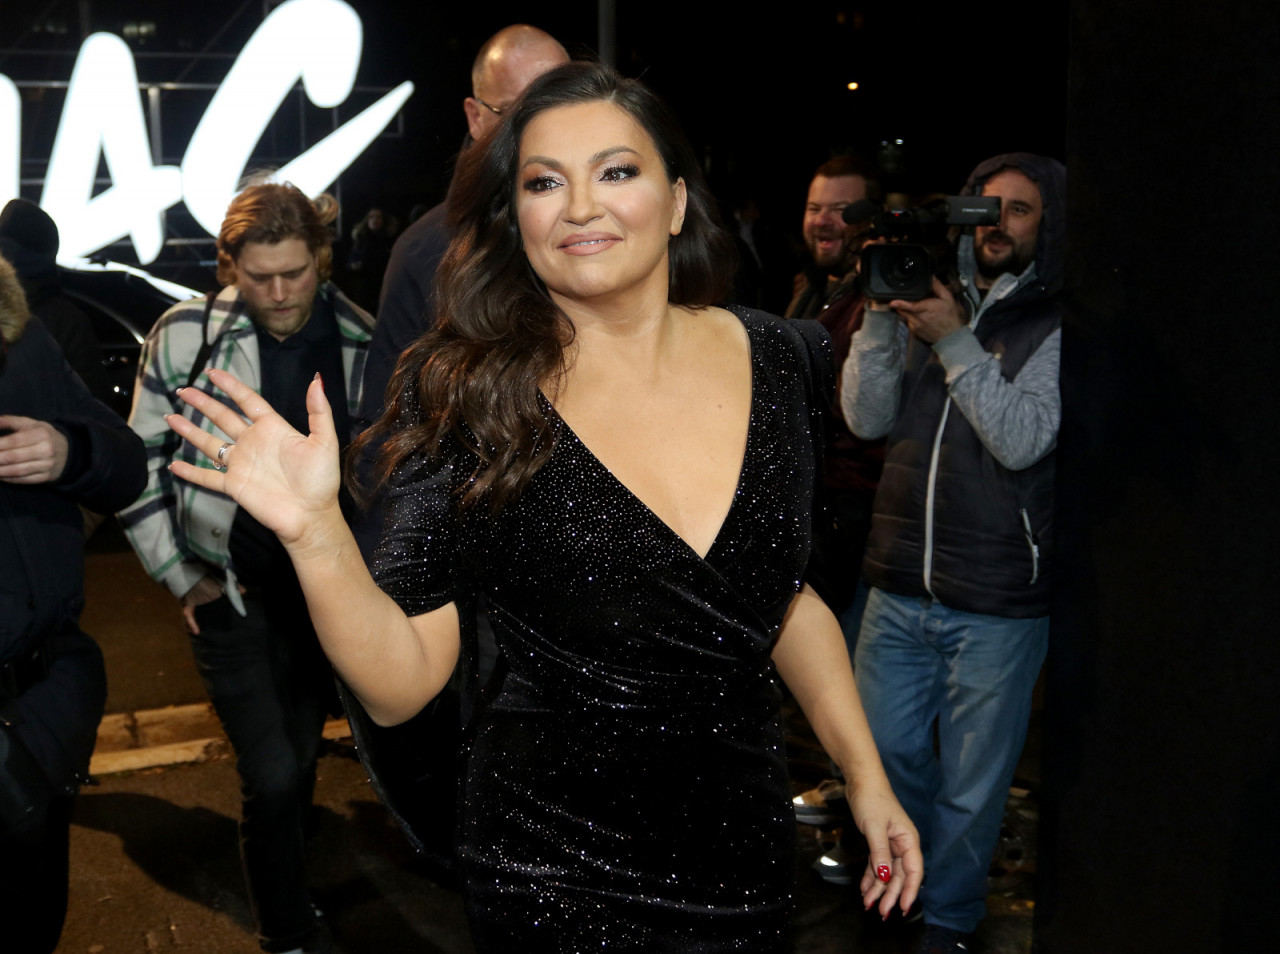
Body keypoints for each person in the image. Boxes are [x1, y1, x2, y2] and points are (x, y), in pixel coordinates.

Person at [161, 63, 922, 952]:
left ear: (677, 200)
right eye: (544, 182)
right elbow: (403, 687)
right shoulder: (467, 392)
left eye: (617, 171)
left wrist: (865, 775)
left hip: (742, 856)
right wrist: (315, 530)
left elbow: (783, 600)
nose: (581, 206)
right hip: (551, 872)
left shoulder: (783, 358)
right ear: (514, 216)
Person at [119, 183, 374, 954]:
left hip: (320, 598)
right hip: (226, 593)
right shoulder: (184, 334)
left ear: (321, 258)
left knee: (298, 756)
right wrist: (178, 573)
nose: (279, 292)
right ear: (230, 266)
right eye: (259, 276)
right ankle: (286, 931)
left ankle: (288, 871)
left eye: (295, 272)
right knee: (270, 772)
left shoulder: (362, 339)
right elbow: (138, 462)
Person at [841, 153, 1066, 954]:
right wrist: (879, 317)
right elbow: (866, 418)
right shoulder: (925, 295)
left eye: (1020, 210)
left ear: (1049, 226)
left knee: (973, 789)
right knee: (884, 758)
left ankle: (949, 922)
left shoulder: (1054, 324)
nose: (998, 225)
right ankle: (898, 893)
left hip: (998, 598)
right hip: (897, 581)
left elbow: (1023, 439)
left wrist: (956, 341)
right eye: (985, 207)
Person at [0, 252, 146, 954]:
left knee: (35, 923)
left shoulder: (22, 335)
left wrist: (70, 451)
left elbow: (126, 463)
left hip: (37, 710)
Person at [358, 24, 569, 444]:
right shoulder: (424, 251)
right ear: (475, 117)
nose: (540, 132)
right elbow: (387, 435)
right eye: (515, 114)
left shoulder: (610, 228)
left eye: (560, 108)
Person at [784, 156, 889, 881]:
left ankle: (866, 834)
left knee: (850, 681)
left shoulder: (879, 299)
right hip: (812, 505)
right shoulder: (814, 288)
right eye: (816, 207)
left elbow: (863, 419)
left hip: (854, 514)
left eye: (843, 210)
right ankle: (841, 787)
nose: (826, 221)